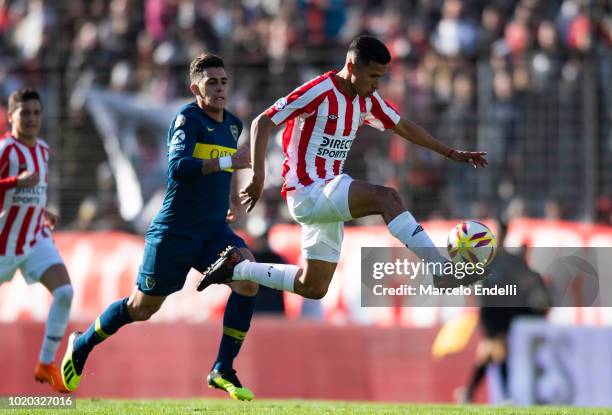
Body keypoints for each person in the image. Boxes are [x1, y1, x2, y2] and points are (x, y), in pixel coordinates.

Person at [61, 53, 296, 401]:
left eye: (223, 82)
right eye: (211, 83)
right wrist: (230, 161)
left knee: (247, 281)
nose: (219, 89)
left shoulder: (232, 123)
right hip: (175, 231)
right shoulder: (187, 119)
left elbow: (227, 169)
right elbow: (179, 169)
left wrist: (231, 197)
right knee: (142, 307)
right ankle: (82, 343)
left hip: (212, 229)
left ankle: (222, 367)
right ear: (195, 88)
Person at [197, 35, 488, 298]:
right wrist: (258, 176)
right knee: (388, 198)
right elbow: (263, 121)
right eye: (372, 76)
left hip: (327, 195)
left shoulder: (368, 98)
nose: (376, 84)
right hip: (308, 189)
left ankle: (238, 267)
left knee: (313, 287)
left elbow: (403, 126)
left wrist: (449, 152)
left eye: (381, 77)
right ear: (351, 66)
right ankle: (441, 270)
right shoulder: (320, 90)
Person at [0, 88, 73, 393]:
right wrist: (15, 181)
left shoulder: (42, 149)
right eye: (25, 113)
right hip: (3, 242)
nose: (31, 118)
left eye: (36, 112)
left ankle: (46, 362)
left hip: (34, 238)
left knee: (65, 291)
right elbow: (15, 188)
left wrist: (44, 210)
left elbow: (31, 193)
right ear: (10, 116)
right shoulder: (5, 150)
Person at [456, 221, 550, 403]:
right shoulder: (489, 258)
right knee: (499, 350)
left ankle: (467, 393)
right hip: (491, 311)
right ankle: (505, 395)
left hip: (501, 311)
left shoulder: (507, 259)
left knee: (487, 353)